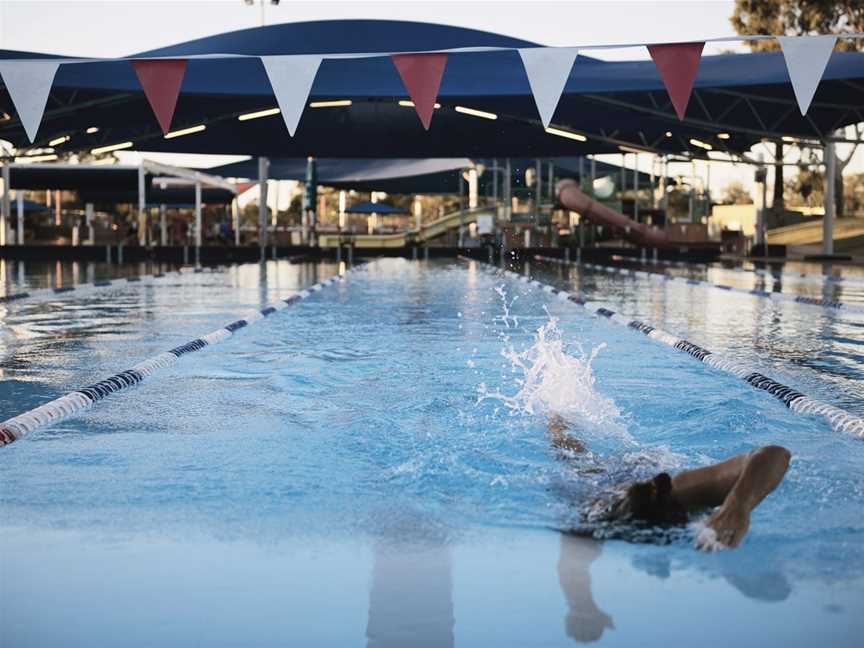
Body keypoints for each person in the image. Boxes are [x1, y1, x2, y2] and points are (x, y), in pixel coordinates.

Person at [548, 417, 791, 551]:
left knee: (577, 457)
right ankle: (555, 419)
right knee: (575, 456)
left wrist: (738, 504)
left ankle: (555, 418)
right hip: (607, 488)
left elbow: (774, 454)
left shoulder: (683, 489)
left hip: (611, 480)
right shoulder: (595, 519)